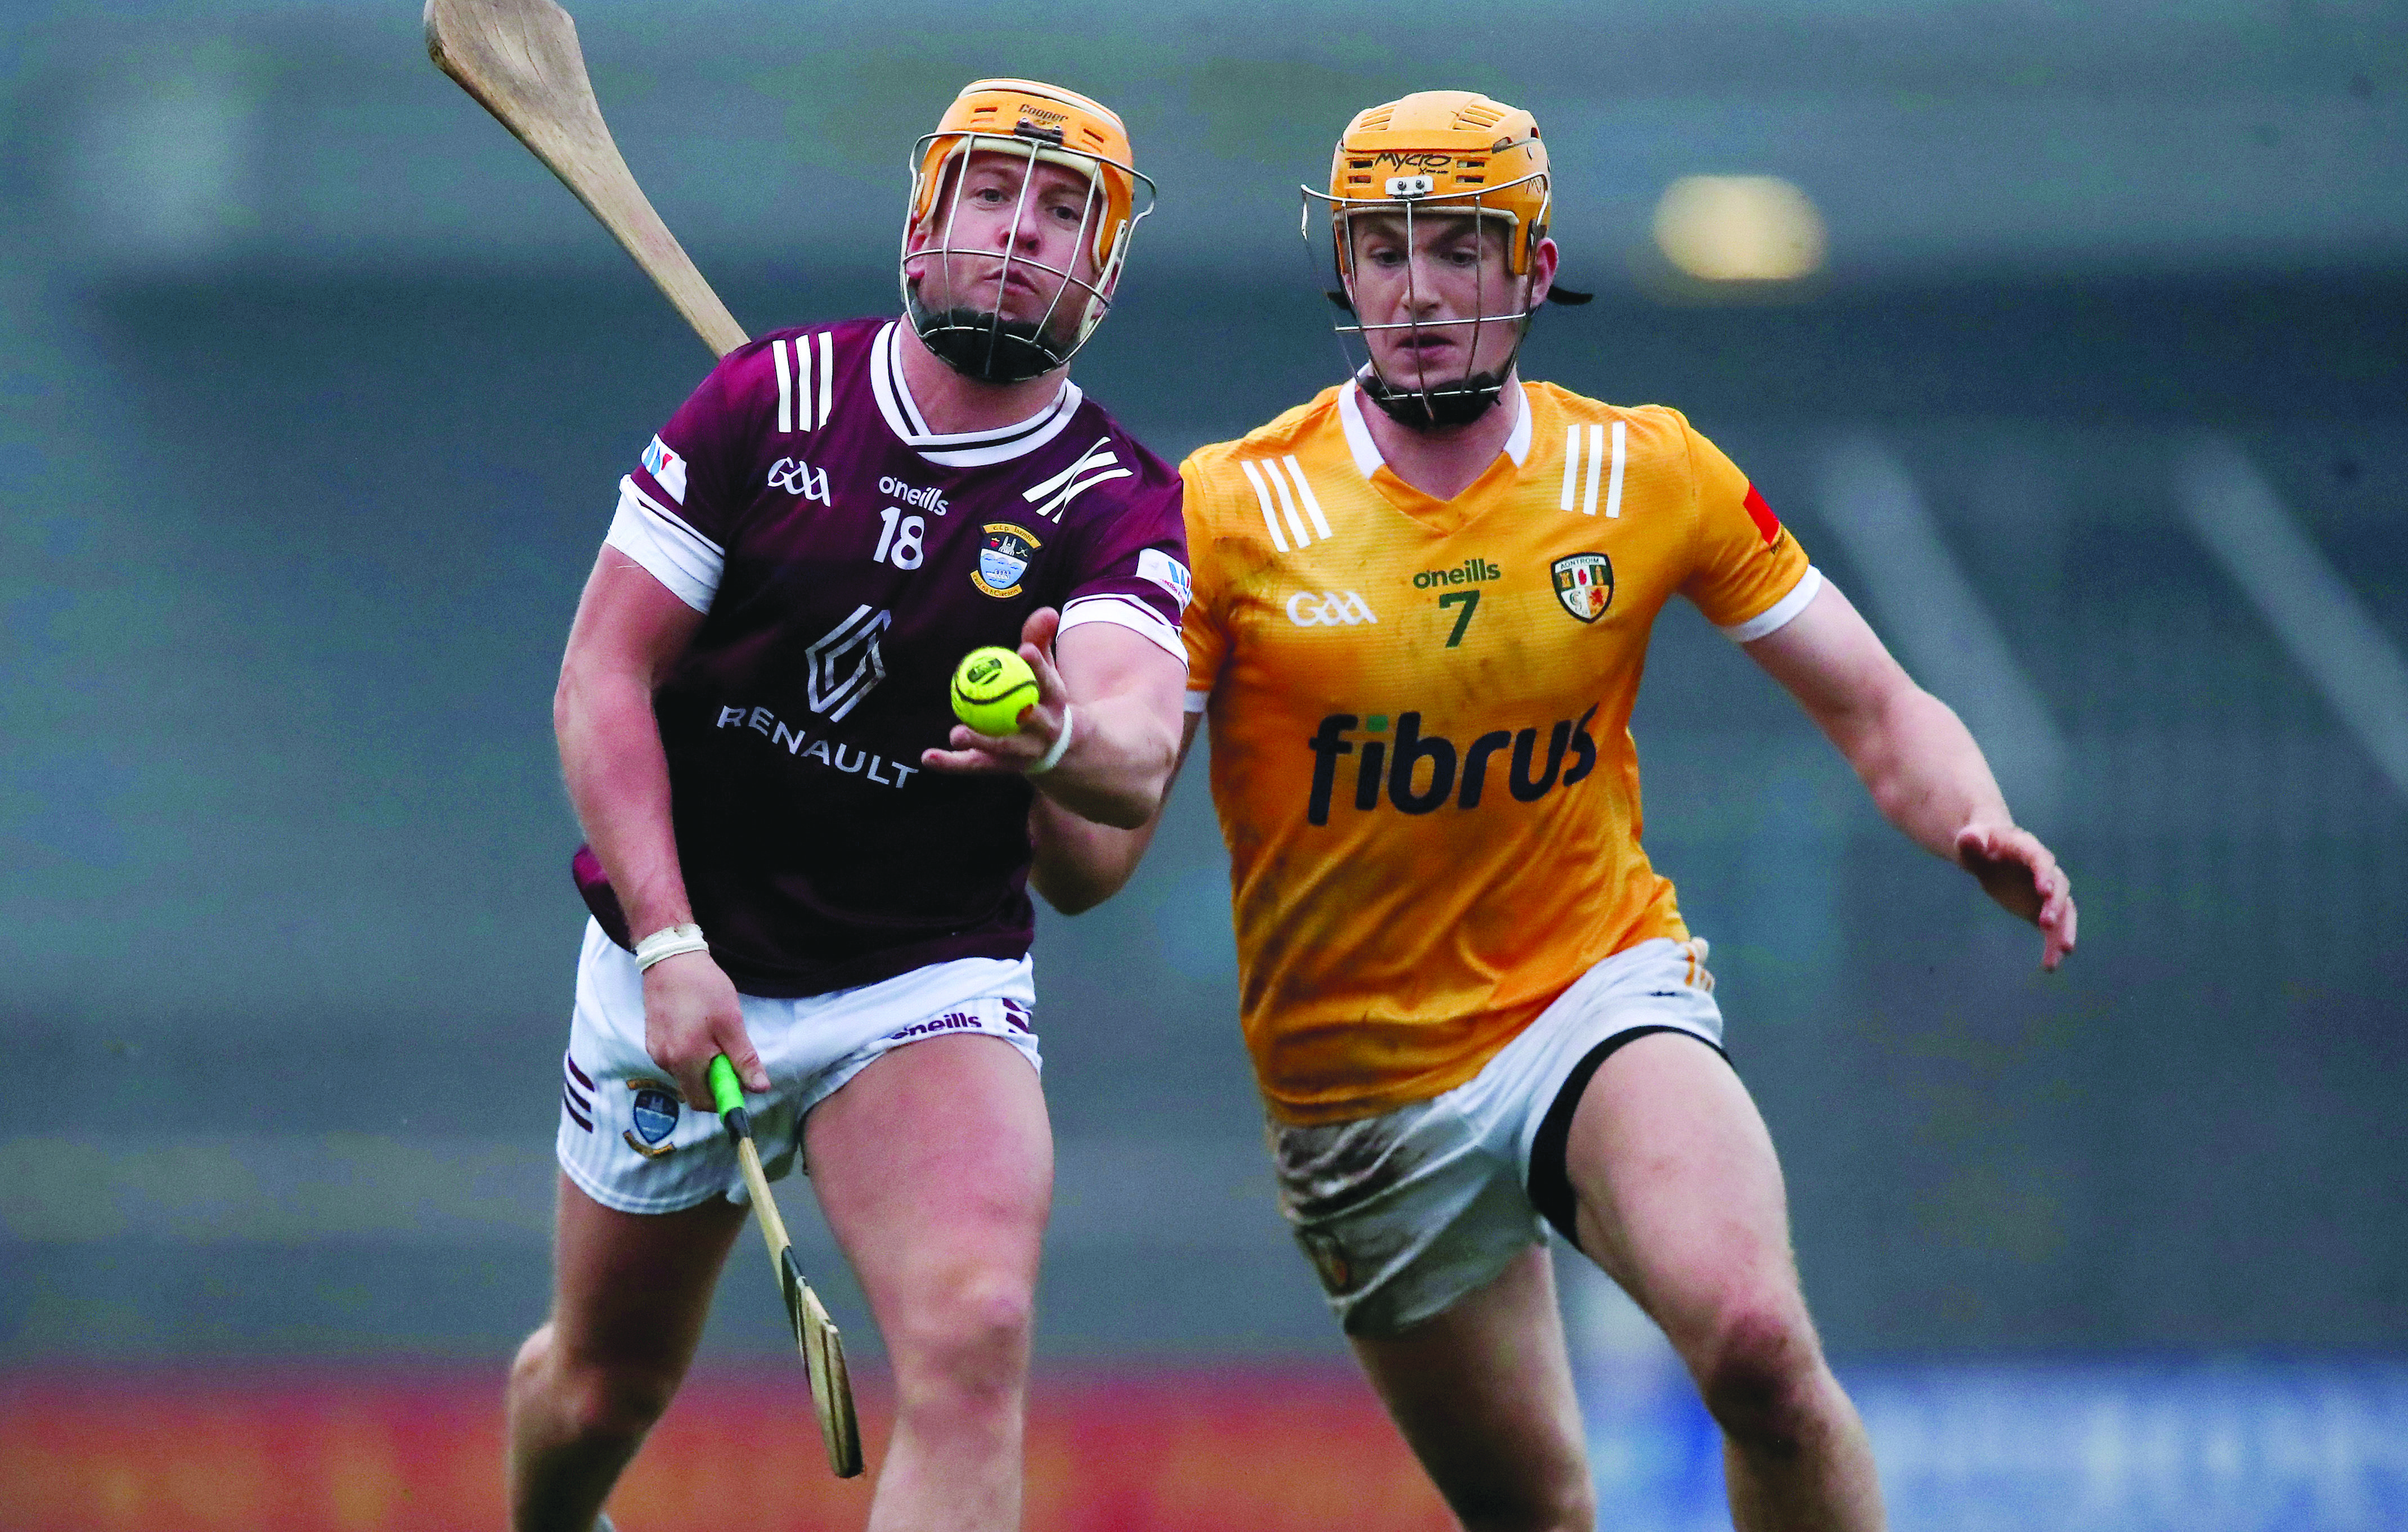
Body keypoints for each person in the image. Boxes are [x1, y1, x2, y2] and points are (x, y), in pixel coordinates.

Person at [1061, 91, 2078, 1530]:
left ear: (1532, 271)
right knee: (1539, 1511)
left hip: (1591, 991)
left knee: (1761, 1353)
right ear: (1341, 270)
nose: (1417, 290)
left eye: (1459, 248)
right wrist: (1057, 753)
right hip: (1358, 1091)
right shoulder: (1226, 510)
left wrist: (1978, 814)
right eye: (1384, 248)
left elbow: (1877, 703)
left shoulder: (1645, 470)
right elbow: (1095, 855)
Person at [507, 79, 1193, 1532]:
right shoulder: (769, 404)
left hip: (917, 979)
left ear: (1105, 271)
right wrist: (673, 944)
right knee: (599, 1388)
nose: (1023, 234)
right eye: (995, 195)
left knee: (975, 1332)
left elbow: (1123, 788)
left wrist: (1060, 734)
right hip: (681, 951)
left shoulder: (1113, 499)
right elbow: (600, 681)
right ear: (924, 221)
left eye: (1066, 212)